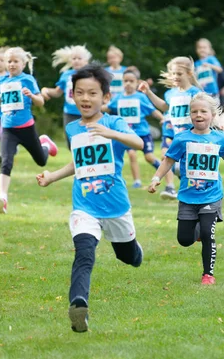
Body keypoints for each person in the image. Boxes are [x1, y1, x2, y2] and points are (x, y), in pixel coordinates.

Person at [36, 64, 144, 333]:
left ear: (105, 97)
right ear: (72, 95)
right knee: (84, 254)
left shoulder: (113, 122)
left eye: (92, 93)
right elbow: (79, 163)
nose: (85, 98)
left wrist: (111, 133)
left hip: (116, 206)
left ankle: (135, 249)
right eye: (80, 93)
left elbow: (139, 143)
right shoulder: (73, 129)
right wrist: (52, 176)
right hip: (84, 206)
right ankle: (78, 305)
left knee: (128, 257)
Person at [148, 93, 224, 285]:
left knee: (208, 233)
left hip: (211, 195)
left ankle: (208, 274)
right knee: (184, 239)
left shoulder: (218, 137)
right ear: (189, 115)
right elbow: (169, 160)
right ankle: (198, 229)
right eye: (194, 111)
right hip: (188, 197)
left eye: (203, 111)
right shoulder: (182, 138)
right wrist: (157, 178)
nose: (198, 115)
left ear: (213, 114)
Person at [0, 47, 58, 214]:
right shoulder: (4, 81)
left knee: (41, 161)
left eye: (15, 61)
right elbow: (1, 97)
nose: (12, 64)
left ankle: (46, 145)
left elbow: (40, 102)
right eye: (9, 61)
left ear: (23, 63)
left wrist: (32, 96)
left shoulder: (28, 80)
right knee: (6, 162)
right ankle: (3, 198)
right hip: (8, 129)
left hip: (26, 128)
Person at [138, 56, 202, 200]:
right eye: (173, 73)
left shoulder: (194, 92)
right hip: (171, 132)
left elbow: (204, 110)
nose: (175, 77)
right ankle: (170, 188)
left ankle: (190, 185)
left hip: (188, 134)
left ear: (189, 74)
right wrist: (148, 92)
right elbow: (164, 107)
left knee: (187, 166)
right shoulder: (170, 93)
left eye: (179, 74)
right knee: (165, 156)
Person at [104, 67, 164, 188]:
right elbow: (107, 108)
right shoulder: (118, 98)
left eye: (131, 81)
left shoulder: (140, 97)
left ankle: (163, 170)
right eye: (125, 81)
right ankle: (137, 181)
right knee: (131, 154)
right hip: (127, 134)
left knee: (148, 157)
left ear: (137, 83)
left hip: (143, 133)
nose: (128, 84)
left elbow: (152, 110)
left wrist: (162, 118)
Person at [41, 45, 92, 147]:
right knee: (71, 142)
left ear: (86, 61)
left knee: (87, 140)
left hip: (87, 112)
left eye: (79, 58)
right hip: (70, 112)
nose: (76, 61)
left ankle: (84, 161)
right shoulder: (66, 75)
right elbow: (57, 92)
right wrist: (45, 90)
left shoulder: (91, 75)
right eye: (74, 58)